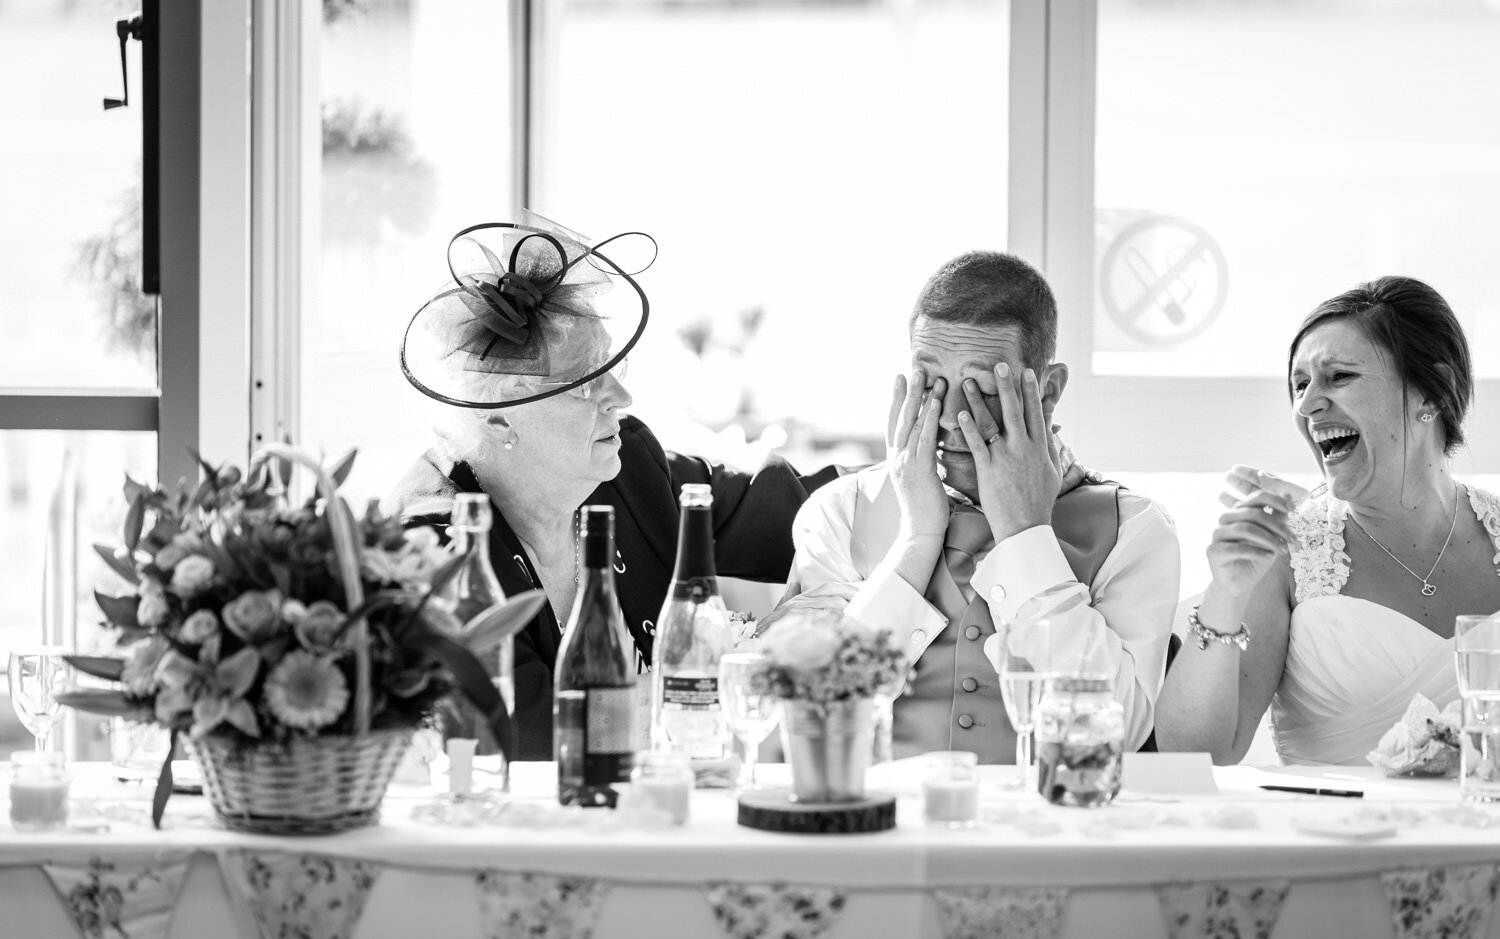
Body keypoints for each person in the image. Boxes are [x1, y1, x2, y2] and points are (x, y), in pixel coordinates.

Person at [387, 215, 840, 760]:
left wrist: (923, 487)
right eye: (586, 383)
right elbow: (519, 735)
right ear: (502, 418)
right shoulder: (435, 550)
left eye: (613, 366)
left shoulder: (626, 468)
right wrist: (752, 660)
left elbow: (790, 506)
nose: (621, 398)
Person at [774, 251, 1180, 761]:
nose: (947, 418)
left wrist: (1026, 535)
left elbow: (1115, 733)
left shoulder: (1134, 528)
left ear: (1048, 390)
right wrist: (916, 540)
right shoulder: (838, 511)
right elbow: (812, 717)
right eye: (929, 383)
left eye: (981, 389)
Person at [1155, 276, 1500, 766]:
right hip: (1327, 837)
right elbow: (1193, 753)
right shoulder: (1285, 549)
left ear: (1431, 393)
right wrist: (1226, 592)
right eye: (1299, 384)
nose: (1305, 405)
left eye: (1338, 377)